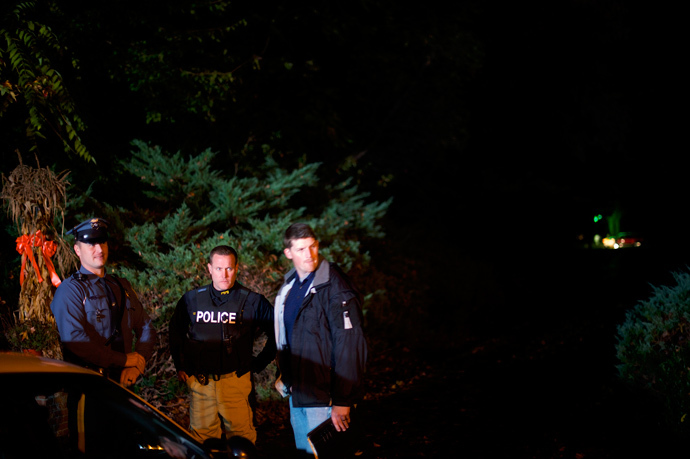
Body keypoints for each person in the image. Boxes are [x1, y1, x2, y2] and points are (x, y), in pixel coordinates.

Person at [274, 223, 368, 455]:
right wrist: (285, 375)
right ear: (288, 253)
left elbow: (350, 343)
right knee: (305, 453)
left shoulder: (335, 285)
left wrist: (343, 400)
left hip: (325, 396)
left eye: (313, 246)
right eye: (301, 249)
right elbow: (289, 335)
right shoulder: (291, 286)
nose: (309, 254)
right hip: (299, 392)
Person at [169, 245, 276, 445]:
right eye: (218, 269)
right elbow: (175, 332)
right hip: (201, 383)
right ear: (209, 268)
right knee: (202, 441)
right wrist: (180, 365)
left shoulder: (253, 301)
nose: (224, 275)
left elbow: (278, 334)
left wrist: (258, 364)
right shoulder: (192, 300)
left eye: (229, 268)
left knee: (242, 439)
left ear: (237, 268)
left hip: (235, 381)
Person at [50, 217, 157, 387]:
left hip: (125, 383)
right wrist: (124, 360)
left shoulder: (122, 286)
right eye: (91, 244)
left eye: (102, 242)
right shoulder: (70, 290)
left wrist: (138, 363)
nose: (99, 249)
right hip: (89, 387)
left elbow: (146, 327)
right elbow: (75, 341)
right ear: (77, 250)